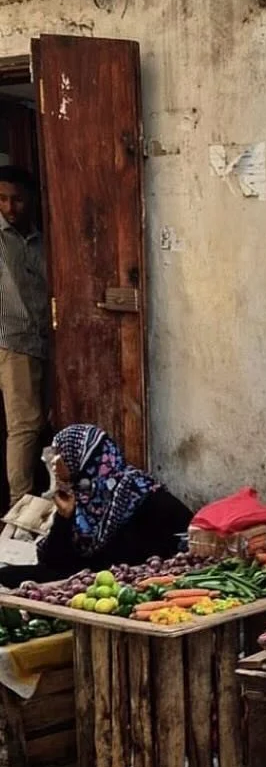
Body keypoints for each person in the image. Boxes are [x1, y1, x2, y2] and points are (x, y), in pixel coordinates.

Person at [0, 424, 192, 586]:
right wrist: (64, 518)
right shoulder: (81, 496)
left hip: (133, 579)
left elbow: (189, 534)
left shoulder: (140, 492)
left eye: (59, 457)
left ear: (82, 457)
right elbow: (54, 561)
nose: (53, 465)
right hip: (90, 576)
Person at [0, 166, 49, 504]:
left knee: (39, 422)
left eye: (16, 199)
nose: (9, 207)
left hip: (43, 340)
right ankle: (20, 505)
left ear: (31, 199)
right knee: (24, 426)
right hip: (12, 340)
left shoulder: (39, 239)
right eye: (2, 199)